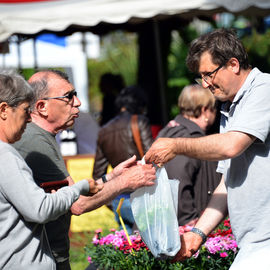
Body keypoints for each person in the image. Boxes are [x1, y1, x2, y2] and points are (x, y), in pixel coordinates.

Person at [145, 28, 270, 269]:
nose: (205, 84)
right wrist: (197, 234)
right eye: (201, 77)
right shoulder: (231, 105)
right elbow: (227, 184)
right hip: (253, 243)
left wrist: (176, 145)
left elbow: (232, 145)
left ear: (233, 64)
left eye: (208, 74)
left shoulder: (264, 89)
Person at [14, 70, 156, 270]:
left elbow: (70, 192)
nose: (78, 102)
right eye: (69, 97)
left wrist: (112, 176)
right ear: (42, 106)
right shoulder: (36, 141)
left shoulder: (39, 137)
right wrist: (124, 182)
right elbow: (77, 204)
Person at [0, 70, 103, 270]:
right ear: (4, 110)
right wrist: (79, 188)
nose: (29, 119)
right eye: (24, 110)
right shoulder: (5, 155)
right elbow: (40, 210)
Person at [157, 84, 221, 226]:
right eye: (214, 108)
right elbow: (177, 182)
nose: (216, 113)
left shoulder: (170, 131)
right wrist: (190, 222)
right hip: (189, 229)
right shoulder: (187, 137)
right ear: (205, 110)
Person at [93, 85, 153, 234]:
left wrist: (110, 200)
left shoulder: (104, 130)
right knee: (149, 248)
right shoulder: (139, 121)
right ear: (140, 103)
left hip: (119, 198)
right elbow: (152, 156)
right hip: (143, 195)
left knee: (126, 247)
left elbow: (98, 173)